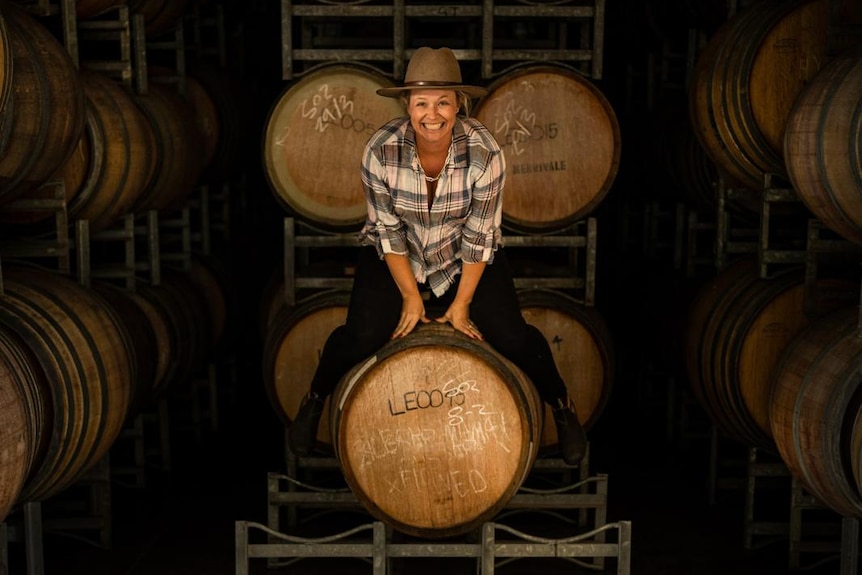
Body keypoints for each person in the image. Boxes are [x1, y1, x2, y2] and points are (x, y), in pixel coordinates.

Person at [288, 46, 588, 465]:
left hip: (460, 256)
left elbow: (480, 236)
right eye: (422, 103)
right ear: (407, 105)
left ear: (458, 105)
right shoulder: (380, 150)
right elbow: (388, 232)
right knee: (362, 333)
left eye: (443, 102)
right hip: (398, 255)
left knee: (511, 334)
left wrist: (462, 304)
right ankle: (314, 399)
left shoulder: (485, 153)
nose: (433, 114)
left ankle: (561, 406)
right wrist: (411, 296)